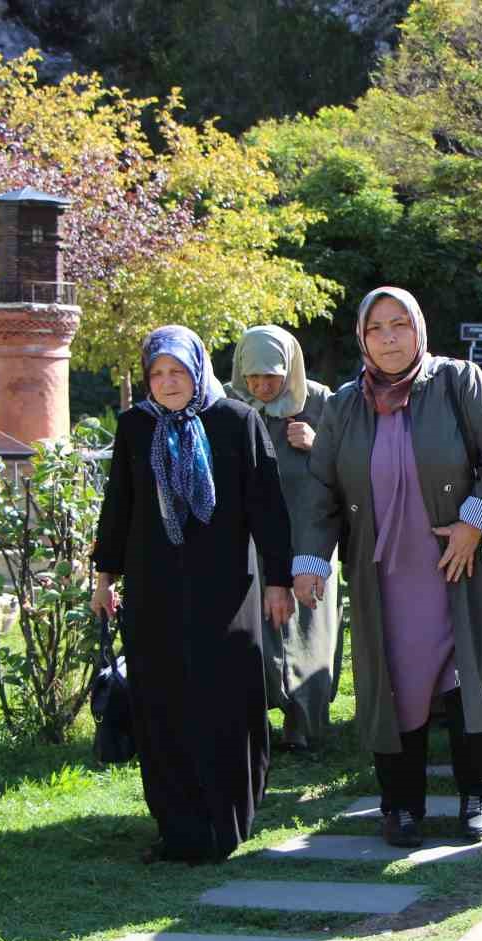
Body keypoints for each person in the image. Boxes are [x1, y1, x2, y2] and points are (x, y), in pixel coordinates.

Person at [292, 287, 482, 848]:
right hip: (386, 578)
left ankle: (478, 796)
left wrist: (475, 521)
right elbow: (321, 491)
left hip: (460, 564)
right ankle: (400, 805)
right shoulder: (345, 405)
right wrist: (311, 559)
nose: (389, 338)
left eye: (399, 324)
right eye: (376, 328)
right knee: (392, 687)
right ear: (362, 338)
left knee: (468, 679)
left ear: (419, 329)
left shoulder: (458, 383)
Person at [91, 325, 295, 864]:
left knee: (225, 698)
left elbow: (267, 507)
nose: (167, 382)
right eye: (157, 373)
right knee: (163, 705)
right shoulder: (135, 426)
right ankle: (177, 826)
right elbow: (119, 505)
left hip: (227, 588)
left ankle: (229, 819)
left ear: (198, 370)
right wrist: (104, 578)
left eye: (177, 371)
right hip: (154, 589)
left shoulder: (235, 421)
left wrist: (280, 581)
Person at [226, 325, 342, 754]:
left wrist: (317, 445)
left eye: (271, 376)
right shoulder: (229, 404)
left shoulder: (322, 402)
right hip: (251, 540)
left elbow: (352, 468)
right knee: (255, 632)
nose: (261, 385)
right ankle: (252, 723)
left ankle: (304, 728)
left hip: (308, 537)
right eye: (253, 377)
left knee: (308, 632)